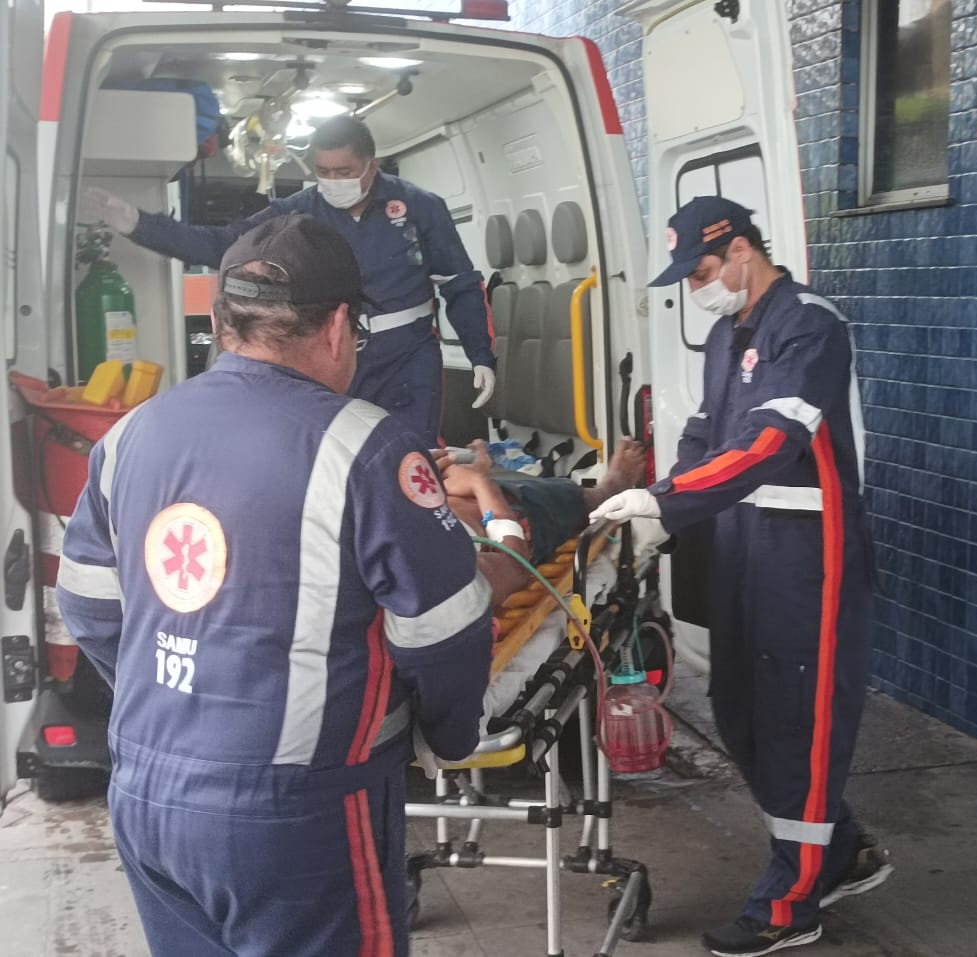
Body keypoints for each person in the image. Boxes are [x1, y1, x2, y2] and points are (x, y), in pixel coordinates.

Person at [54, 213, 494, 957]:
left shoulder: (130, 434)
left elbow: (88, 605)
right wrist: (451, 738)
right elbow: (446, 629)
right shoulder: (368, 444)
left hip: (147, 791)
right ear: (341, 326)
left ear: (219, 321)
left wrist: (174, 702)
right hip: (297, 809)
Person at [589, 196, 891, 957]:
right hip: (740, 545)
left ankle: (791, 902)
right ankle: (840, 849)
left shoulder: (810, 326)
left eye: (701, 271)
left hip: (806, 553)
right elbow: (708, 432)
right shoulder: (728, 334)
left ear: (743, 251)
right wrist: (659, 500)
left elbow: (770, 440)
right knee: (740, 712)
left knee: (799, 721)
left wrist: (668, 501)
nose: (696, 287)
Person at [81, 114, 497, 445]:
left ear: (372, 165)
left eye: (345, 171)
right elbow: (224, 246)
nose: (333, 181)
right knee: (334, 453)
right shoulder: (298, 213)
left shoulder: (420, 207)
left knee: (411, 451)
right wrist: (138, 224)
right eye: (323, 171)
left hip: (407, 357)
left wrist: (480, 353)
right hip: (329, 354)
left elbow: (460, 283)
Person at [435, 438, 647, 607]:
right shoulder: (437, 575)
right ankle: (612, 487)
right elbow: (515, 567)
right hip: (510, 515)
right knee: (587, 501)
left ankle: (478, 470)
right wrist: (480, 484)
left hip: (449, 494)